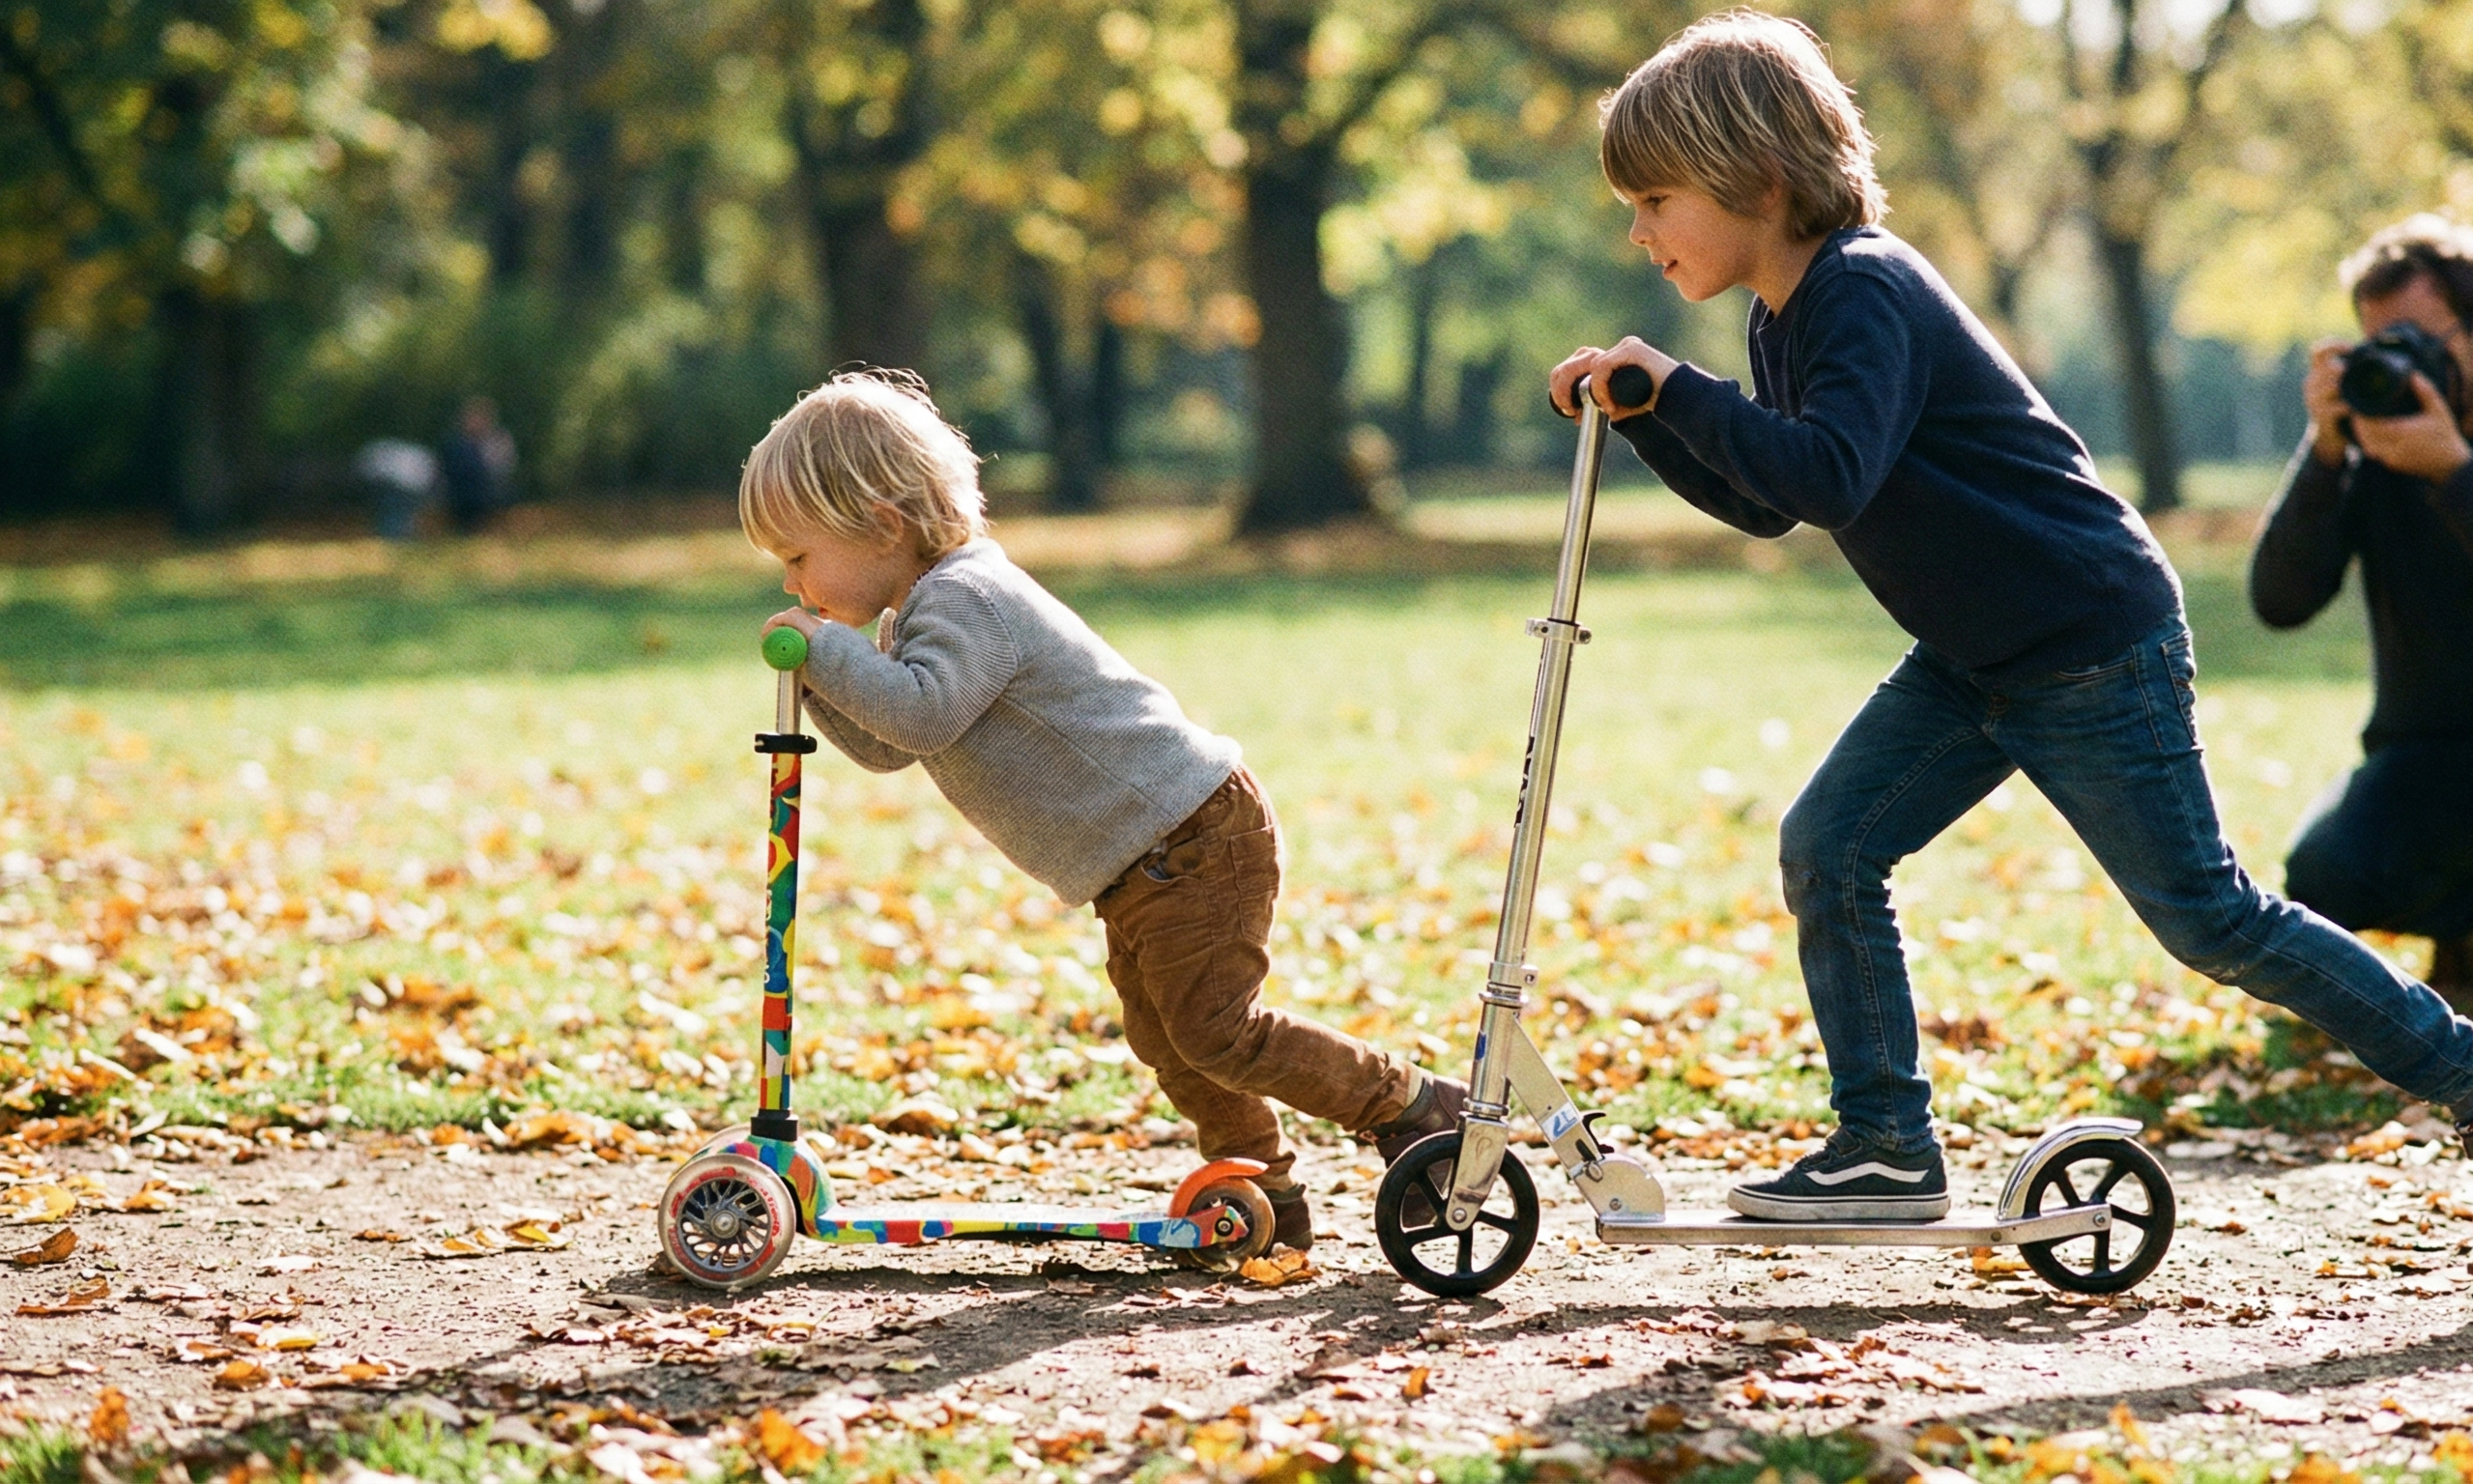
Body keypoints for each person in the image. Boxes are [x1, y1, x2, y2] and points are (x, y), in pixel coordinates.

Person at [1547, 11, 2473, 1217]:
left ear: (1757, 179)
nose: (1640, 229)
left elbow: (1824, 472)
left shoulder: (1861, 289)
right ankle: (1883, 1144)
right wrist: (1652, 418)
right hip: (1979, 653)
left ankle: (2459, 1063)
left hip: (2089, 642)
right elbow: (1772, 502)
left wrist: (1682, 388)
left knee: (2212, 919)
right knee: (1831, 843)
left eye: (1657, 197)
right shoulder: (1784, 311)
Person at [738, 369, 1464, 1249]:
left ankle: (1409, 1105)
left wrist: (825, 652)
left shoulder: (970, 600)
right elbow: (894, 745)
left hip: (1191, 833)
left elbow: (917, 713)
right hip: (1146, 856)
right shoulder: (920, 615)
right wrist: (819, 677)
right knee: (1169, 1035)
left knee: (1214, 1028)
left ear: (881, 525)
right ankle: (1258, 1189)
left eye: (798, 555)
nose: (790, 577)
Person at [2252, 215, 2473, 1017]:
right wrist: (2322, 450)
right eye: (2377, 344)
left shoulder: (2432, 459)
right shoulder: (2372, 455)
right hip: (2425, 754)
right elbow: (2278, 602)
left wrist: (2452, 473)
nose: (2397, 362)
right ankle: (2460, 930)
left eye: (2417, 337)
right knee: (2324, 874)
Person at [440, 396, 516, 534]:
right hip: (460, 494)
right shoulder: (456, 444)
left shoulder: (498, 440)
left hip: (488, 492)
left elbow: (501, 468)